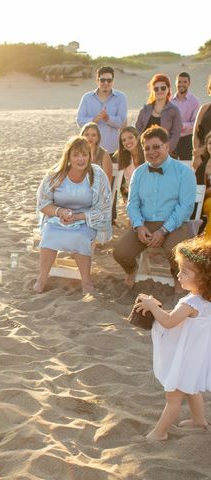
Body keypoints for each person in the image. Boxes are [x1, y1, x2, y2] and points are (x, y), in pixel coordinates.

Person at [134, 236, 211, 441]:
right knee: (190, 389)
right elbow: (183, 319)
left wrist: (151, 306)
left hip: (185, 356)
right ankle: (199, 420)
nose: (179, 274)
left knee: (174, 396)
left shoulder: (191, 302)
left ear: (203, 278)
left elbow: (169, 322)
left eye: (185, 271)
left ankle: (159, 433)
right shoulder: (205, 301)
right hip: (196, 355)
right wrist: (159, 308)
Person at [113, 126, 196, 292]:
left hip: (175, 224)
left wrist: (164, 230)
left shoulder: (184, 172)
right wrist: (138, 226)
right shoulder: (139, 173)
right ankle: (132, 270)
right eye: (147, 148)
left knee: (177, 254)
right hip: (145, 223)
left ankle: (177, 277)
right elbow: (133, 203)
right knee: (120, 253)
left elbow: (185, 207)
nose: (151, 152)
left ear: (167, 146)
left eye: (156, 146)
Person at [34, 136, 112, 293]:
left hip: (86, 219)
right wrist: (60, 211)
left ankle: (86, 283)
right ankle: (42, 279)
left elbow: (104, 207)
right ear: (68, 156)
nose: (81, 159)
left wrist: (78, 217)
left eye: (84, 154)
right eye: (76, 155)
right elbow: (43, 203)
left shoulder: (97, 175)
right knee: (49, 234)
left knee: (81, 237)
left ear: (90, 156)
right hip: (59, 219)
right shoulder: (55, 175)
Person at [77, 66, 128, 154]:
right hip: (90, 150)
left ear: (113, 81)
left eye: (109, 80)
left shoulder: (121, 97)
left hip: (113, 149)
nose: (106, 83)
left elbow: (122, 122)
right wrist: (94, 120)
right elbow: (79, 121)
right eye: (102, 80)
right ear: (97, 80)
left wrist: (108, 119)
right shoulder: (87, 97)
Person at [135, 74, 182, 154]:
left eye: (163, 88)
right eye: (156, 89)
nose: (159, 91)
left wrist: (165, 151)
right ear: (152, 91)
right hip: (146, 153)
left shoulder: (174, 110)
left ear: (168, 89)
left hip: (166, 154)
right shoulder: (145, 110)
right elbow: (138, 130)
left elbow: (175, 134)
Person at [171, 72, 200, 161]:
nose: (181, 84)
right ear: (176, 83)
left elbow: (196, 123)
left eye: (184, 82)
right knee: (170, 167)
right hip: (172, 139)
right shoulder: (169, 100)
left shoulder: (195, 101)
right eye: (179, 82)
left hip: (187, 139)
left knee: (187, 166)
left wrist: (181, 125)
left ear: (189, 83)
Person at [113, 126, 145, 197]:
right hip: (133, 197)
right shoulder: (124, 158)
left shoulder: (147, 154)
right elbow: (125, 184)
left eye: (130, 137)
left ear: (137, 137)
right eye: (124, 140)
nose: (127, 142)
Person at [193, 76, 211, 171]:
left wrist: (202, 149)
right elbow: (196, 133)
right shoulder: (204, 108)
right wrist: (197, 156)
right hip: (202, 158)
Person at [199, 132, 211, 238]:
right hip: (206, 201)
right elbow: (198, 189)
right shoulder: (202, 166)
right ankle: (207, 241)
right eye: (210, 143)